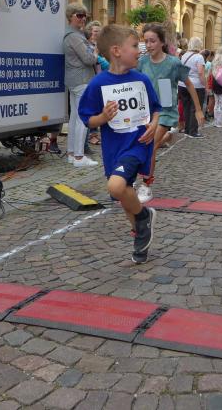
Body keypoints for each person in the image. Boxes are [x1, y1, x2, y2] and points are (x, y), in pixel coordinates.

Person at [79, 25, 161, 264]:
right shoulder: (98, 84)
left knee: (116, 187)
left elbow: (156, 108)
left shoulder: (141, 79)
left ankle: (143, 218)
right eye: (134, 46)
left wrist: (154, 124)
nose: (140, 50)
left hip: (138, 144)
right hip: (113, 148)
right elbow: (87, 119)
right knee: (124, 195)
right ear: (116, 51)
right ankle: (141, 233)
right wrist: (103, 117)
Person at [137, 23, 204, 203]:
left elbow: (189, 84)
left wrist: (198, 110)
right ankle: (165, 138)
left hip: (166, 111)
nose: (149, 45)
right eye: (146, 41)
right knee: (143, 144)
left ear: (162, 42)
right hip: (146, 111)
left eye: (152, 41)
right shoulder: (142, 62)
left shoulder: (173, 63)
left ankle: (146, 185)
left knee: (150, 146)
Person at [63, 2, 99, 167]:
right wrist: (95, 51)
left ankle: (72, 154)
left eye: (85, 15)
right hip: (82, 80)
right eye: (79, 15)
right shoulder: (75, 37)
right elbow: (89, 59)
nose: (83, 18)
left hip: (74, 81)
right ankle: (79, 156)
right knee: (82, 118)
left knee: (74, 118)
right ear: (70, 16)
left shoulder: (70, 34)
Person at [178, 37, 206, 138]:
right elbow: (201, 73)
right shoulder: (199, 57)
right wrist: (205, 85)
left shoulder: (184, 55)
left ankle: (187, 129)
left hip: (183, 84)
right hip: (196, 85)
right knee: (195, 108)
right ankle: (193, 131)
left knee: (186, 107)